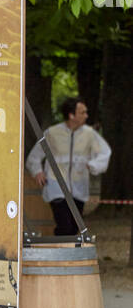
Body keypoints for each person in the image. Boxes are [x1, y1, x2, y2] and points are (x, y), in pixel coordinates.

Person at [25, 96, 111, 236]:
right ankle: (59, 254)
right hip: (56, 187)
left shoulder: (89, 135)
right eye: (82, 112)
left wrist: (93, 165)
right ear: (71, 115)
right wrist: (37, 172)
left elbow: (105, 153)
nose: (86, 116)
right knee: (64, 226)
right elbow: (34, 157)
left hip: (79, 189)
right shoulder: (52, 133)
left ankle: (65, 255)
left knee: (74, 228)